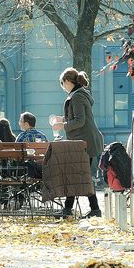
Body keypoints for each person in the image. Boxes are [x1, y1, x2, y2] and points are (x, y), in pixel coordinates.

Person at [50, 67, 104, 219]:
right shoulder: (79, 94)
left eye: (62, 83)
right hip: (84, 141)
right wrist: (63, 119)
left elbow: (80, 121)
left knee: (78, 175)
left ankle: (88, 209)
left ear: (67, 81)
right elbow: (78, 117)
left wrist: (62, 125)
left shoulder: (77, 96)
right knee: (77, 175)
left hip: (84, 142)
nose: (63, 87)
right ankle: (85, 209)